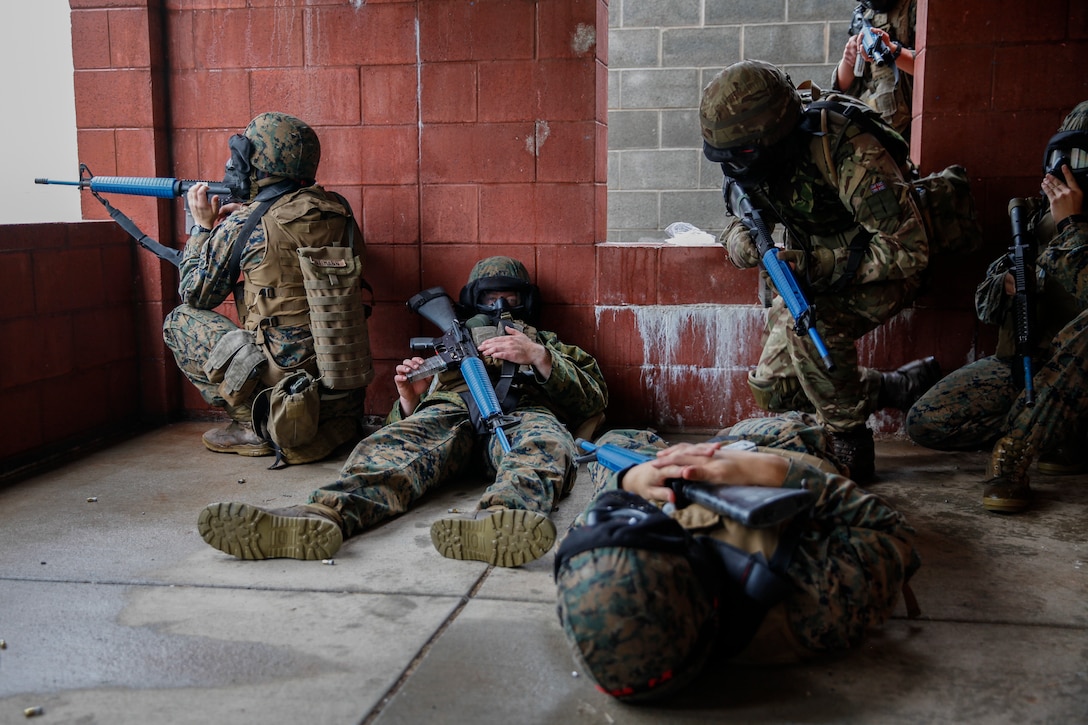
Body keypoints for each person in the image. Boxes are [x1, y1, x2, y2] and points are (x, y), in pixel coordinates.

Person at [196, 256, 609, 565]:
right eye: (489, 297)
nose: (499, 305)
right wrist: (409, 397)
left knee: (545, 446)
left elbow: (593, 398)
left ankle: (503, 521)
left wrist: (538, 355)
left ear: (527, 302)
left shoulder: (552, 344)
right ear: (472, 300)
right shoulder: (451, 341)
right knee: (394, 447)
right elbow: (401, 428)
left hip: (525, 415)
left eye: (510, 297)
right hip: (452, 412)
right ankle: (322, 515)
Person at [555, 413, 920, 702]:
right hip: (779, 454)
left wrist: (631, 482)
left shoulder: (596, 598)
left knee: (612, 445)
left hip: (682, 470)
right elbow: (893, 534)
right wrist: (766, 471)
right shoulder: (814, 601)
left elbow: (594, 521)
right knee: (789, 422)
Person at [699, 59, 941, 483]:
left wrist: (818, 264)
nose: (736, 167)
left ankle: (849, 442)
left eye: (743, 157)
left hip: (884, 267)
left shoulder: (846, 147)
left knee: (811, 324)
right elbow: (743, 212)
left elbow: (909, 250)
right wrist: (740, 240)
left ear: (773, 137)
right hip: (811, 275)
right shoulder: (754, 160)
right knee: (773, 388)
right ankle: (890, 388)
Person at [162, 112, 374, 466]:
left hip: (283, 390)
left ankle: (252, 423)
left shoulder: (246, 223)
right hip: (341, 381)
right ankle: (330, 422)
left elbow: (195, 293)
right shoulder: (338, 211)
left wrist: (203, 229)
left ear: (261, 164)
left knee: (180, 320)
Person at [907, 102, 1088, 513]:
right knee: (928, 421)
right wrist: (1005, 286)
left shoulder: (1065, 219)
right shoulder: (1036, 216)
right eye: (1065, 158)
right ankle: (1057, 431)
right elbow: (985, 305)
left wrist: (1072, 228)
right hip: (1033, 366)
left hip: (1079, 376)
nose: (1070, 170)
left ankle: (1020, 445)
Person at [832, 0, 917, 140]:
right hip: (874, 133)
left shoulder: (916, 8)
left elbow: (932, 68)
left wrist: (893, 51)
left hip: (910, 131)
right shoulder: (864, 14)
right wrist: (848, 60)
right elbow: (842, 89)